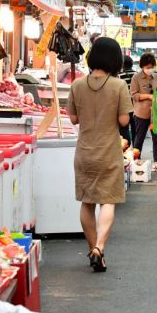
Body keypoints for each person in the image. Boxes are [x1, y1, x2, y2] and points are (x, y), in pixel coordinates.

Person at [66, 37, 134, 273]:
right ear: (115, 59)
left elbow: (73, 119)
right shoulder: (118, 86)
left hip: (84, 150)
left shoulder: (77, 85)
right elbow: (124, 120)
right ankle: (100, 247)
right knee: (108, 201)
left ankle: (92, 249)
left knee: (87, 201)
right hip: (109, 150)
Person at [130, 53, 157, 172]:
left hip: (155, 113)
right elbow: (134, 95)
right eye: (148, 67)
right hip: (141, 113)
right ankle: (135, 161)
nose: (150, 69)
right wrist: (149, 96)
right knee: (139, 138)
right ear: (142, 66)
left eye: (152, 66)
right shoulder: (136, 77)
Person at [118, 55, 137, 143]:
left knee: (124, 128)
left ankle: (126, 148)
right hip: (136, 104)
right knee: (135, 127)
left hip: (125, 104)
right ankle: (136, 149)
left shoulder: (119, 76)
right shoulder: (136, 74)